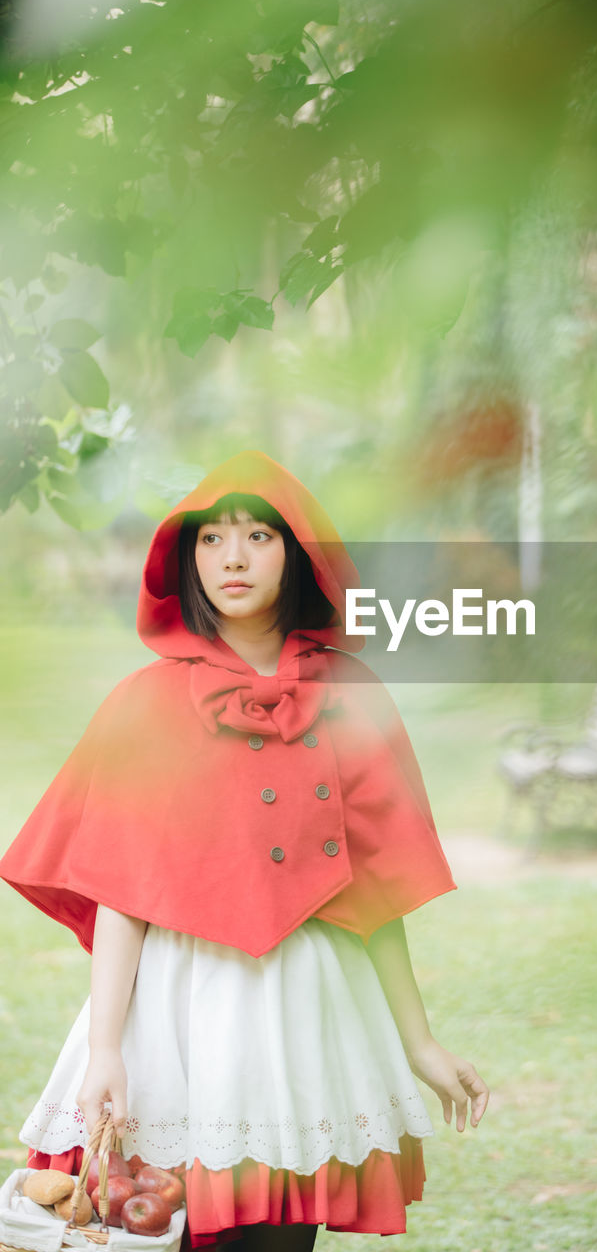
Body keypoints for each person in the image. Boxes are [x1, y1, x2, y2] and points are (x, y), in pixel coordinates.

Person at [0, 449, 489, 1252]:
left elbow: (372, 893)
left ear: (299, 556)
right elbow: (122, 891)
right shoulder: (144, 705)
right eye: (210, 539)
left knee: (281, 1238)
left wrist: (420, 1040)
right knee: (159, 1224)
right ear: (183, 560)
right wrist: (106, 1049)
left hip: (307, 1004)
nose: (231, 556)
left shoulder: (351, 696)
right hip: (176, 1008)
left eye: (259, 535)